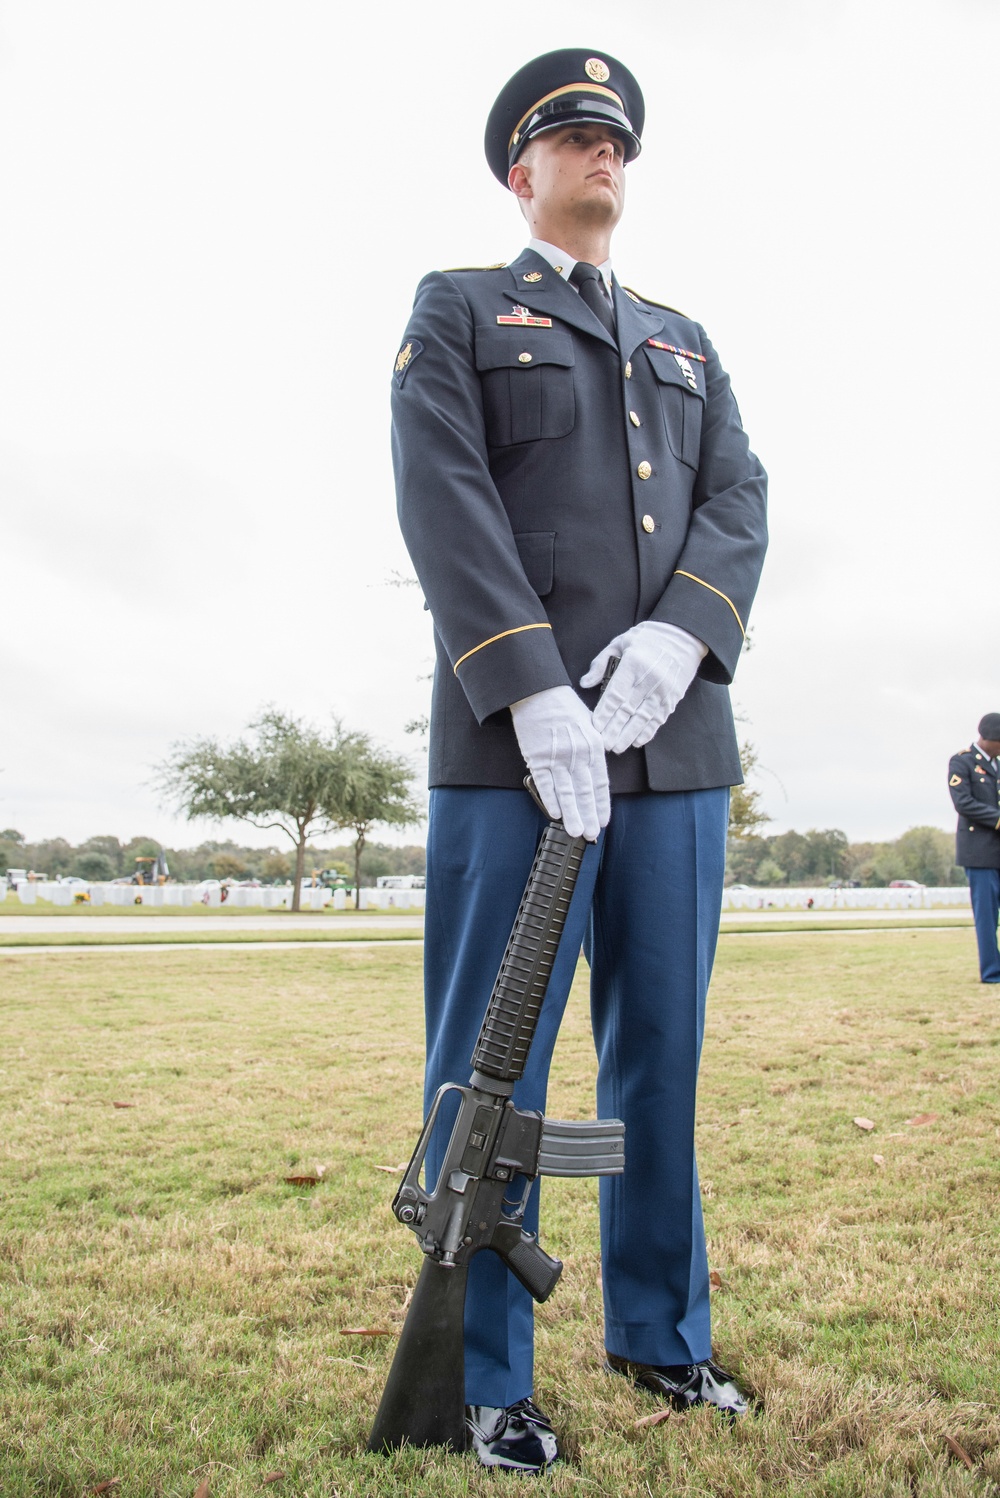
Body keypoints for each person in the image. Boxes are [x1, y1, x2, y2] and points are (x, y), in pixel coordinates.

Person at [391, 48, 768, 1472]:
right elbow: (445, 496)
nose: (602, 148)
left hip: (672, 758)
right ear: (521, 169)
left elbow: (740, 496)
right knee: (491, 1073)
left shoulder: (686, 336)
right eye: (572, 131)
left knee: (657, 1060)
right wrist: (533, 690)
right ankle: (487, 1369)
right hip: (514, 758)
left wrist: (684, 640)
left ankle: (662, 1335)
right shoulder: (460, 308)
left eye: (617, 133)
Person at [948, 713, 1000, 984]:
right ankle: (992, 972)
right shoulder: (962, 761)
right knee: (987, 917)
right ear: (990, 739)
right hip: (980, 853)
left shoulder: (998, 765)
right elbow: (963, 803)